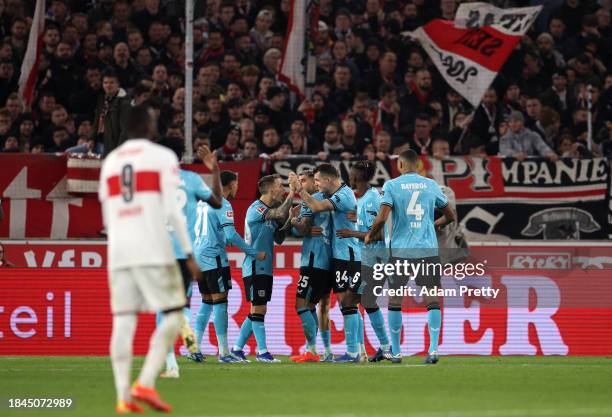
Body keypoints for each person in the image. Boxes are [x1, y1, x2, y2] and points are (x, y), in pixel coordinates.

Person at [98, 105, 200, 413]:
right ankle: (144, 381)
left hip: (119, 251)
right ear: (149, 126)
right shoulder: (162, 158)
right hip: (153, 247)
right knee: (173, 313)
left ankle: (122, 397)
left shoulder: (111, 162)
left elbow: (107, 214)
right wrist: (189, 253)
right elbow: (171, 210)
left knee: (124, 323)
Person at [365, 149, 456, 364]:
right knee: (432, 298)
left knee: (395, 298)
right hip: (427, 250)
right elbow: (449, 215)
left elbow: (383, 216)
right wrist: (433, 225)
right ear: (418, 165)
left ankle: (396, 352)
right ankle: (433, 350)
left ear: (400, 166)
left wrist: (370, 234)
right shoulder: (431, 185)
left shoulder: (391, 185)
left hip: (400, 252)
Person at [154, 137, 223, 378]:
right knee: (182, 302)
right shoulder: (192, 179)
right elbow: (217, 202)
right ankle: (187, 331)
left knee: (162, 309)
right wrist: (214, 170)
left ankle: (172, 365)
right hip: (186, 252)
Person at [290, 164, 362, 363]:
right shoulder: (333, 196)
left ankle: (351, 351)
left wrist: (297, 195)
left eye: (316, 180)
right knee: (334, 304)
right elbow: (303, 226)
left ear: (326, 180)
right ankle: (343, 351)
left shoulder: (339, 196)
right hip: (335, 257)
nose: (316, 183)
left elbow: (310, 213)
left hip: (339, 256)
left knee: (341, 303)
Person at [191, 171, 266, 363]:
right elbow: (231, 235)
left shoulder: (202, 201)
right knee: (220, 302)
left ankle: (194, 348)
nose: (238, 187)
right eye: (237, 183)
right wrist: (253, 252)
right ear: (231, 185)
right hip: (214, 257)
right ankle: (224, 353)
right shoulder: (223, 204)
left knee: (207, 302)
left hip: (198, 254)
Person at [231, 174, 293, 363]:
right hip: (254, 266)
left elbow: (280, 239)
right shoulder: (256, 208)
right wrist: (293, 193)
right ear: (270, 190)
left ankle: (236, 349)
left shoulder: (269, 211)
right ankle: (262, 351)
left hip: (265, 267)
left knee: (257, 309)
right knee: (259, 308)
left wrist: (290, 218)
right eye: (280, 186)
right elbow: (279, 214)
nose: (282, 189)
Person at [335, 161, 392, 362]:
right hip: (370, 259)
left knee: (349, 300)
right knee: (367, 302)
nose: (349, 175)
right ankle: (386, 348)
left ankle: (353, 353)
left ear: (357, 176)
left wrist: (350, 232)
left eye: (351, 172)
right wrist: (355, 220)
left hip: (375, 260)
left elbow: (377, 235)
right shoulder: (365, 199)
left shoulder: (371, 200)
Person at [288, 169, 333, 363]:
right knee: (315, 306)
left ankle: (312, 350)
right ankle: (321, 350)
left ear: (314, 184)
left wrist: (293, 220)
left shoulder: (311, 199)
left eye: (303, 180)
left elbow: (304, 227)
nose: (301, 183)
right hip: (328, 260)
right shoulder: (326, 200)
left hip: (313, 260)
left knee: (301, 305)